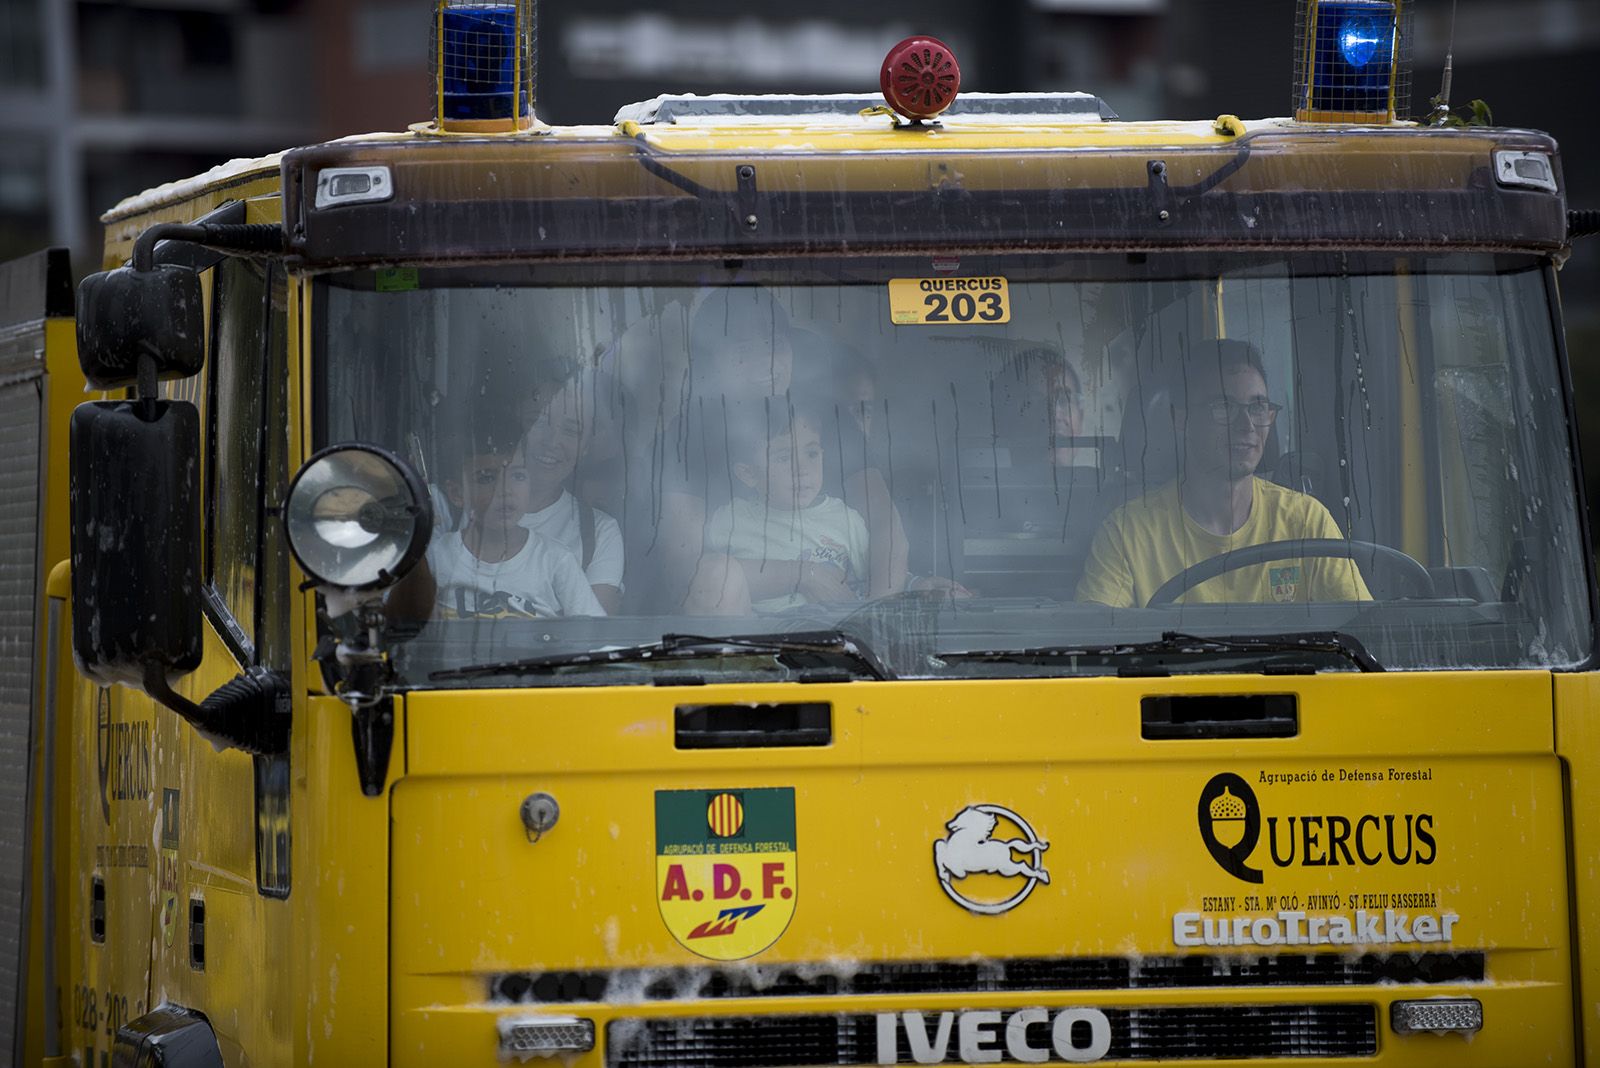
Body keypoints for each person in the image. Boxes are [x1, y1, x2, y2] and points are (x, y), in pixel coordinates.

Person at [1076, 340, 1370, 607]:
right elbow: (1097, 638)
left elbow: (1363, 630)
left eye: (1258, 407)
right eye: (1224, 407)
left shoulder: (1305, 522)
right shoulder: (1127, 533)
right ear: (1181, 419)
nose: (1247, 425)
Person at [685, 402, 869, 614]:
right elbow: (697, 582)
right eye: (783, 458)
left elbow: (872, 585)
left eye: (812, 454)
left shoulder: (846, 520)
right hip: (755, 631)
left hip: (830, 630)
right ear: (748, 474)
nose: (802, 470)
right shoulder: (729, 520)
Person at [426, 409, 605, 619]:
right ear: (457, 494)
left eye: (518, 476)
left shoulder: (555, 560)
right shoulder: (437, 557)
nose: (505, 490)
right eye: (486, 478)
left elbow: (591, 630)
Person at [517, 375, 625, 614]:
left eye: (571, 430)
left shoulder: (598, 532)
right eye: (539, 422)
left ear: (585, 448)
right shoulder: (456, 509)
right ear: (518, 427)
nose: (552, 441)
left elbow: (593, 632)